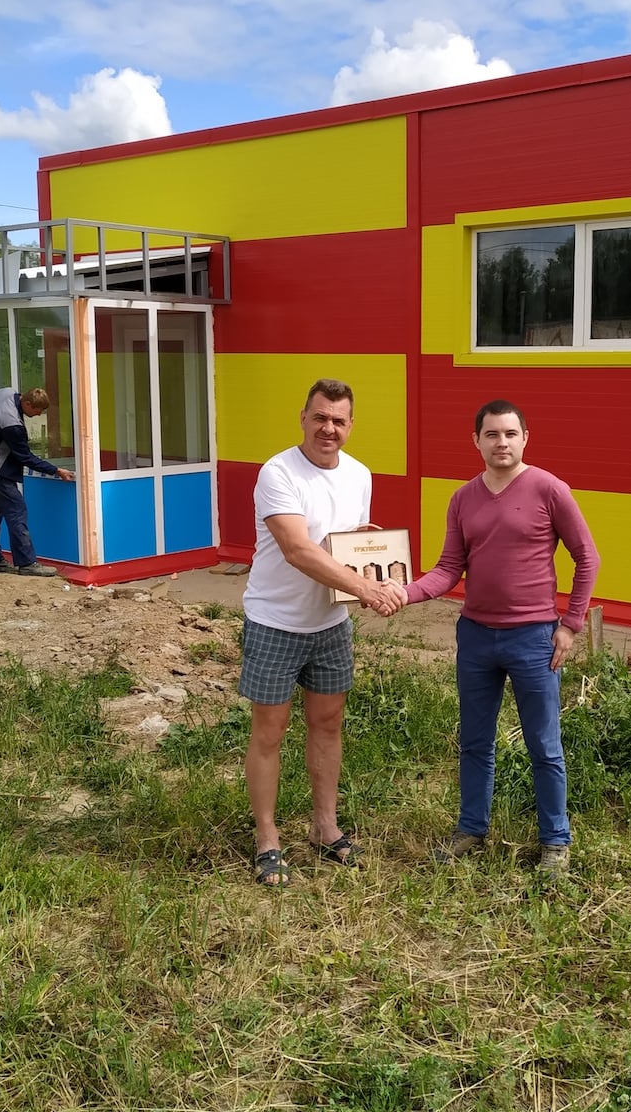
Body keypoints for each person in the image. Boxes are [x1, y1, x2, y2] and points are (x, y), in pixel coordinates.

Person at [392, 399, 599, 877]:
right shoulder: (462, 498)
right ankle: (471, 829)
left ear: (525, 438)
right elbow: (448, 569)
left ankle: (555, 841)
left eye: (509, 433)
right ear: (476, 441)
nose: (501, 442)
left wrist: (570, 624)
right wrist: (403, 593)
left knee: (544, 745)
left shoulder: (550, 489)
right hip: (477, 638)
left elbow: (587, 557)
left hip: (534, 638)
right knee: (475, 741)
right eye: (491, 434)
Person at [239, 378, 403, 886]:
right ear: (303, 418)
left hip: (331, 625)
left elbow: (338, 543)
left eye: (338, 420)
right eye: (320, 417)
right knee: (269, 732)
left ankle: (324, 827)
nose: (328, 428)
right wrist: (368, 588)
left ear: (350, 425)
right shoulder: (278, 472)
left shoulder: (359, 475)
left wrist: (367, 550)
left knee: (328, 725)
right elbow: (298, 549)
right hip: (276, 622)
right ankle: (268, 838)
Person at [0, 385, 76, 578]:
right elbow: (25, 457)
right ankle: (27, 563)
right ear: (27, 403)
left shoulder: (4, 393)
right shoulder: (12, 424)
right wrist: (56, 470)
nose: (38, 415)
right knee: (16, 512)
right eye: (37, 410)